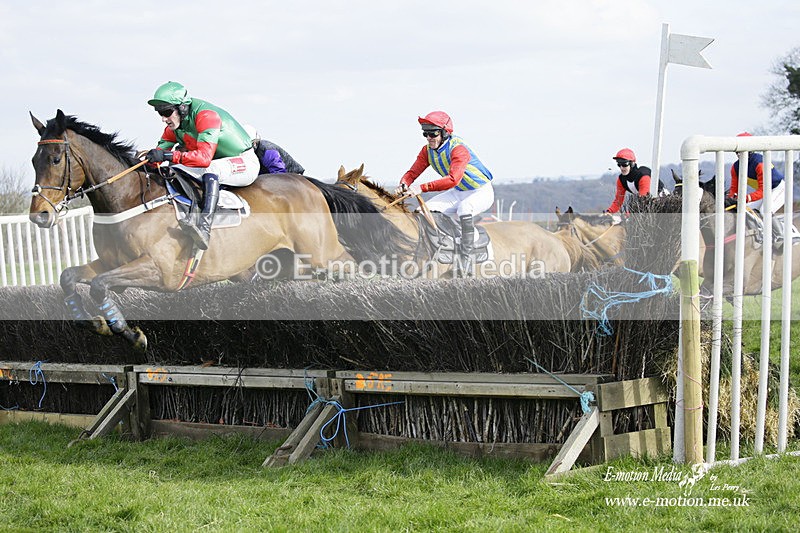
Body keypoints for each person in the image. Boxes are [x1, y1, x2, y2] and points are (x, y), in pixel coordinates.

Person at [144, 81, 260, 250]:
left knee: (211, 169)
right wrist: (147, 160)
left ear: (182, 108)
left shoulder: (206, 116)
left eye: (167, 112)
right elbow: (160, 154)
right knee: (173, 170)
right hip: (213, 163)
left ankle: (204, 227)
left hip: (243, 161)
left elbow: (204, 159)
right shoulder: (175, 126)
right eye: (160, 113)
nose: (163, 118)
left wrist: (168, 155)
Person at [394, 111, 494, 254]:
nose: (428, 138)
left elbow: (453, 179)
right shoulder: (427, 150)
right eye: (425, 134)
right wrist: (404, 184)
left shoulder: (458, 149)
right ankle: (440, 248)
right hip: (458, 192)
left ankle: (466, 258)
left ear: (445, 133)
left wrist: (421, 188)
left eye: (433, 134)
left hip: (480, 191)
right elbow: (412, 173)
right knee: (422, 212)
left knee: (464, 209)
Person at [728, 132, 786, 246]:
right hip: (765, 191)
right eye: (737, 151)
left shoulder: (759, 163)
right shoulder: (735, 167)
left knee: (765, 210)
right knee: (746, 210)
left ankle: (780, 237)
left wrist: (748, 197)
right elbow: (734, 189)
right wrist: (731, 199)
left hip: (778, 188)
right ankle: (759, 235)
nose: (738, 153)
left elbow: (763, 189)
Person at [605, 148, 665, 214]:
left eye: (624, 164)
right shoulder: (621, 180)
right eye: (619, 164)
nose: (621, 167)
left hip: (663, 202)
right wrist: (608, 212)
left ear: (632, 163)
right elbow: (618, 201)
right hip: (647, 205)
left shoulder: (643, 176)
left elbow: (643, 200)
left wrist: (628, 214)